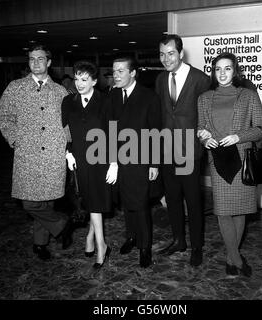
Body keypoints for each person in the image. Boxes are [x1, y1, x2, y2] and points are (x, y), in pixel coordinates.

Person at [0, 44, 74, 261]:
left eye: (40, 59)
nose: (36, 63)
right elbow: (3, 118)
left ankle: (40, 244)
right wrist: (15, 139)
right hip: (27, 155)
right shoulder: (16, 88)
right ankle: (62, 224)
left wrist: (69, 150)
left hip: (53, 154)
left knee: (47, 201)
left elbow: (68, 124)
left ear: (49, 62)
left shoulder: (60, 91)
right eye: (32, 59)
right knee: (29, 202)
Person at [197, 52, 262, 277]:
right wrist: (204, 136)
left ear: (235, 71)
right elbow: (200, 128)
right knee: (223, 211)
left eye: (227, 68)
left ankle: (230, 259)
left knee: (240, 211)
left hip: (242, 158)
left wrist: (239, 136)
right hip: (218, 159)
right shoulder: (204, 98)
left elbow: (261, 129)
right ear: (213, 72)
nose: (222, 73)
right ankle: (237, 259)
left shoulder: (248, 95)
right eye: (218, 69)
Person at [155, 34, 210, 267]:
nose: (166, 59)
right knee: (173, 199)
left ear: (181, 53)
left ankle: (197, 246)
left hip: (190, 150)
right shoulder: (159, 79)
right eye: (161, 54)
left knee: (193, 200)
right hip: (167, 149)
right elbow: (161, 115)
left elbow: (206, 114)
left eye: (170, 53)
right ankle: (179, 240)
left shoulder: (200, 79)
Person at [108, 56, 161, 268]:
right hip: (118, 160)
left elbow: (156, 132)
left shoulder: (149, 97)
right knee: (125, 201)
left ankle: (145, 246)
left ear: (132, 73)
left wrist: (154, 163)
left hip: (141, 159)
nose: (116, 75)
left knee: (139, 204)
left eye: (121, 71)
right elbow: (109, 128)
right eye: (114, 71)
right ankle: (131, 237)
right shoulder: (112, 95)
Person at [62, 60, 113, 270]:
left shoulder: (105, 101)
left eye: (84, 79)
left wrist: (114, 162)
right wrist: (67, 153)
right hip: (78, 160)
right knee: (89, 200)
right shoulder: (67, 101)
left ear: (93, 81)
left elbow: (113, 132)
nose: (80, 83)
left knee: (95, 200)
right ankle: (93, 237)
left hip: (100, 158)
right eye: (77, 78)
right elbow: (64, 129)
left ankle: (100, 244)